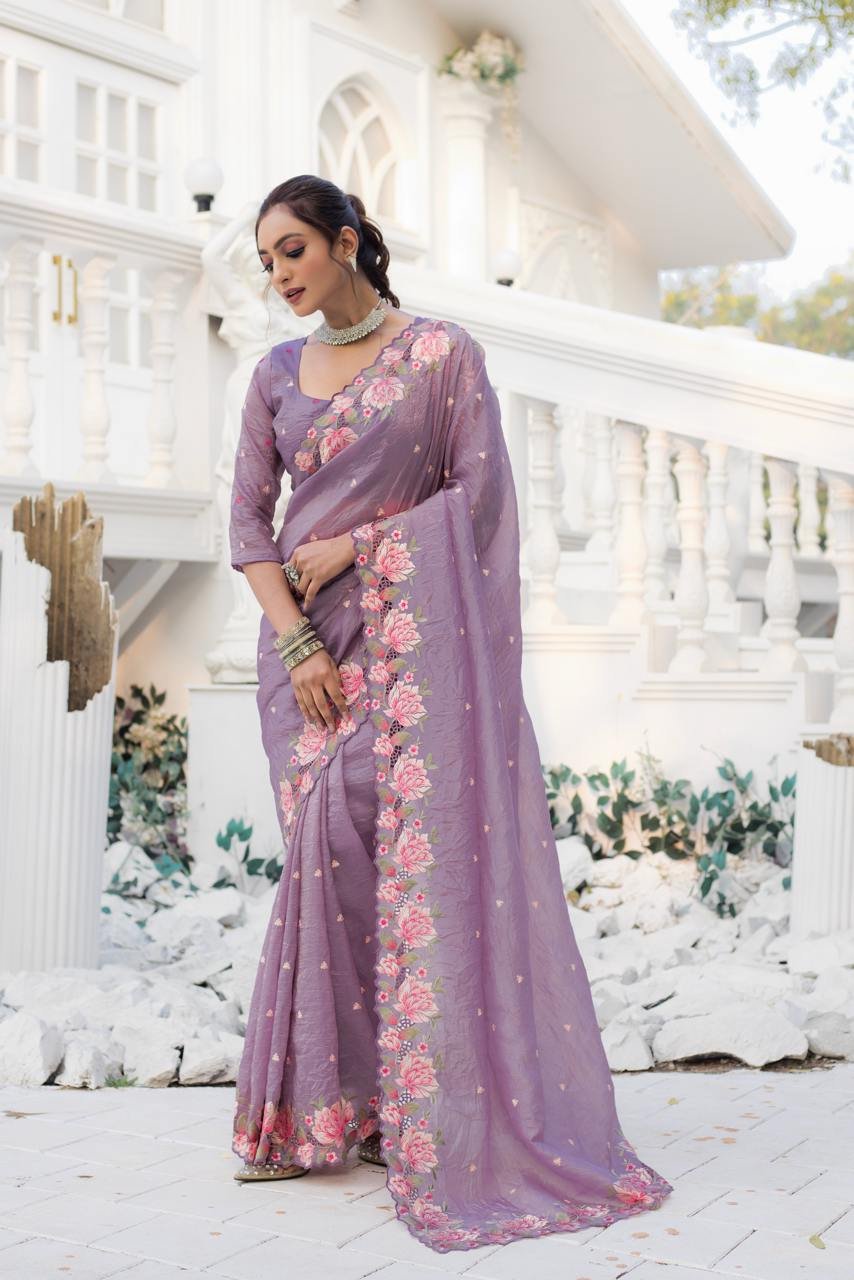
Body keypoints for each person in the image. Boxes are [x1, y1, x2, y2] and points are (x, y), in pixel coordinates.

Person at [227, 174, 673, 1254]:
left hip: (410, 651)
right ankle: (328, 1112)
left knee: (403, 863)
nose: (279, 273)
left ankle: (415, 1105)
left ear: (346, 243)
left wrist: (362, 546)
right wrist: (297, 640)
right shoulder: (274, 374)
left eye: (293, 250)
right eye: (267, 259)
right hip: (306, 657)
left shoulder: (440, 357)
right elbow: (246, 523)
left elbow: (477, 501)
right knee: (325, 853)